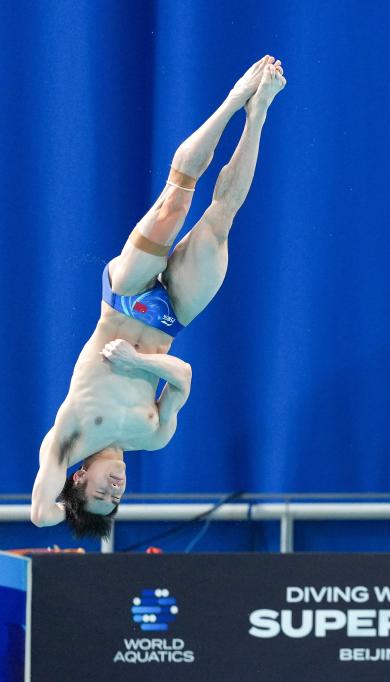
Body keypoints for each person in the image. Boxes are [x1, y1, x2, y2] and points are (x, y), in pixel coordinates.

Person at [30, 56, 287, 537]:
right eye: (117, 499)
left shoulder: (68, 438)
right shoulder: (153, 436)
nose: (115, 489)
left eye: (101, 494)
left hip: (124, 298)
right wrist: (137, 362)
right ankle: (258, 113)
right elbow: (183, 376)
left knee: (176, 199)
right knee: (221, 218)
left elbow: (41, 515)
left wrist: (76, 511)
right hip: (170, 319)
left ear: (78, 478)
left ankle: (234, 100)